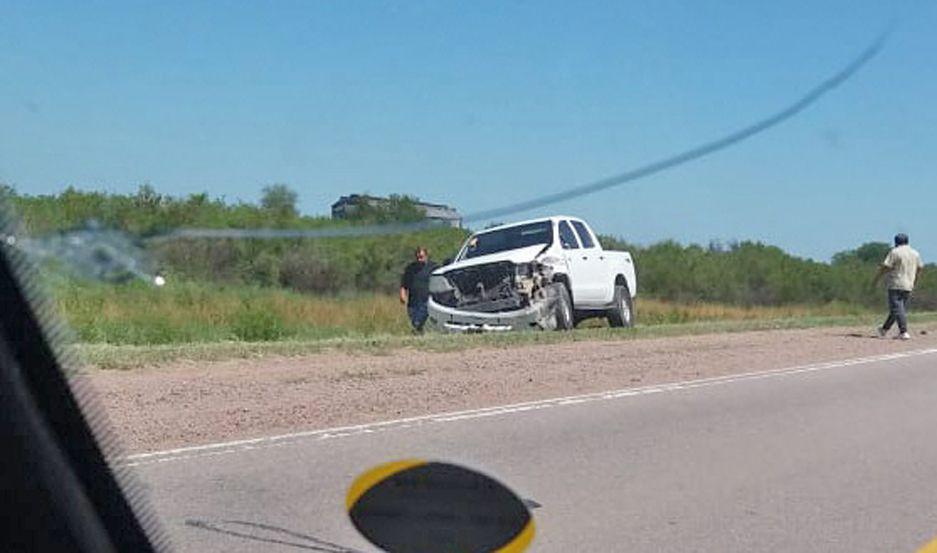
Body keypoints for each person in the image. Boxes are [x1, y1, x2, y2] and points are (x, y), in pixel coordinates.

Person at [873, 233, 924, 340]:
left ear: (896, 242)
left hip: (896, 284)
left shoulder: (895, 252)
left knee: (897, 309)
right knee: (897, 309)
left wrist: (878, 278)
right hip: (909, 284)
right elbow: (920, 268)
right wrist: (915, 281)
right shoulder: (915, 253)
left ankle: (903, 331)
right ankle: (884, 329)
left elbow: (886, 266)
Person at [400, 246, 437, 333]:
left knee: (418, 322)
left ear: (426, 256)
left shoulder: (434, 267)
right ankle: (420, 334)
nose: (419, 259)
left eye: (421, 257)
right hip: (413, 301)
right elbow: (404, 283)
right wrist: (402, 294)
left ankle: (417, 332)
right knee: (414, 322)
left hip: (427, 300)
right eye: (417, 257)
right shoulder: (410, 268)